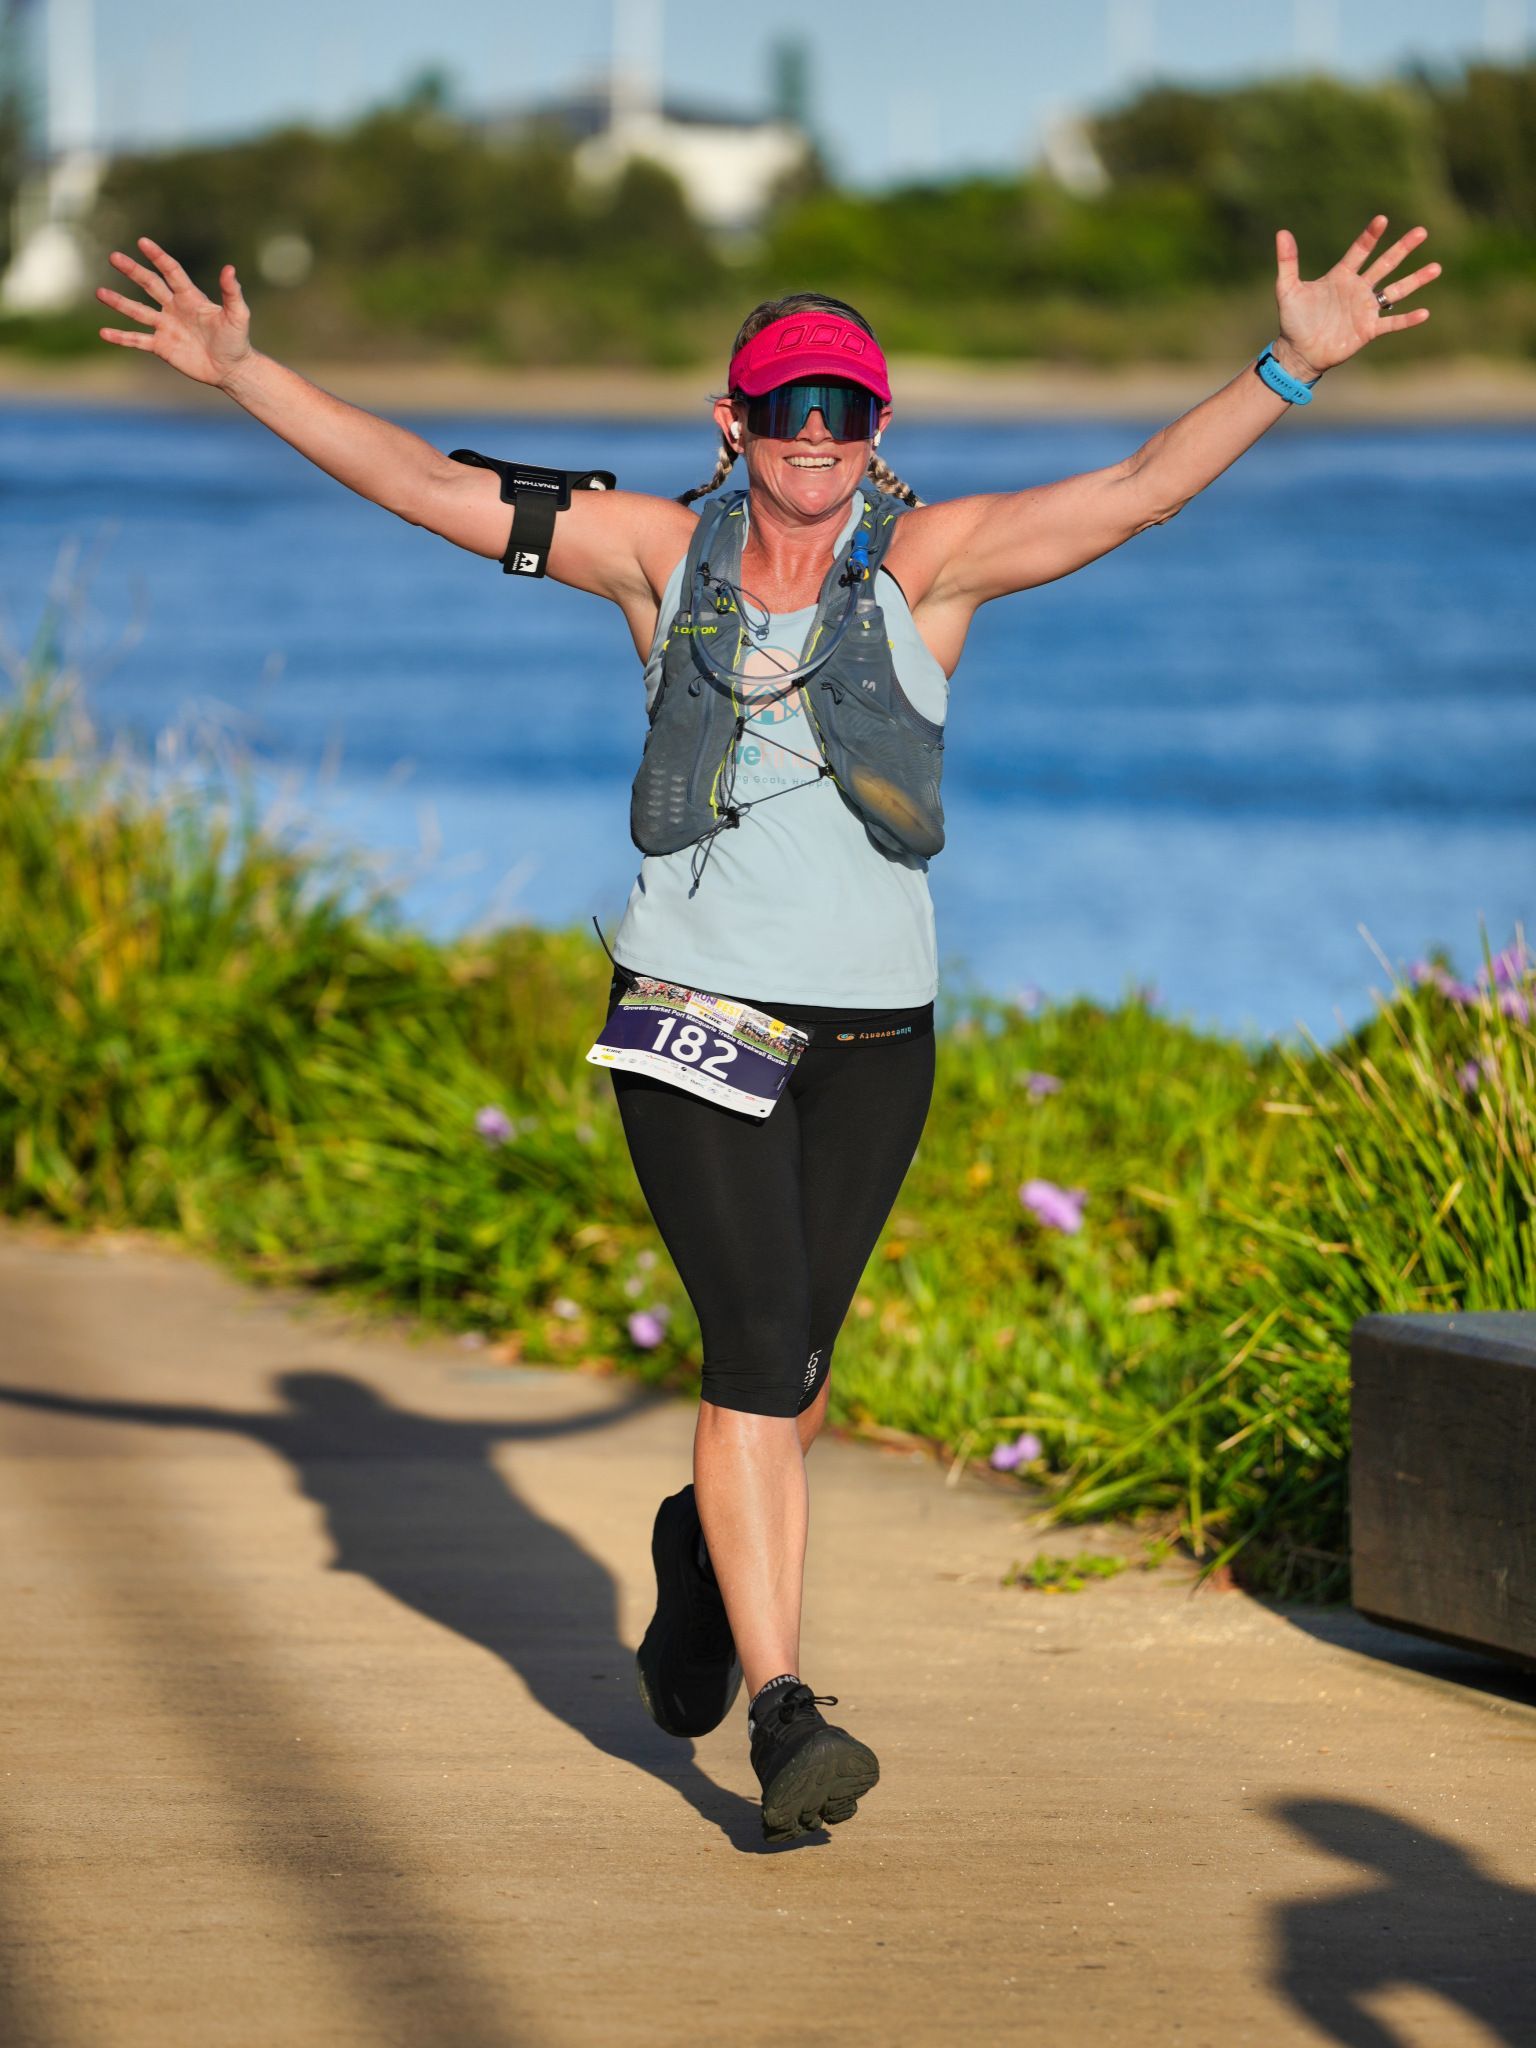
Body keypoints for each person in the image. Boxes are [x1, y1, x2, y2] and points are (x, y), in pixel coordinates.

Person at [96, 214, 1440, 1842]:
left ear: (880, 428)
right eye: (787, 408)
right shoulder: (653, 553)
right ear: (731, 421)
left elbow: (1142, 487)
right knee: (751, 1360)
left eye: (845, 410)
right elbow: (423, 484)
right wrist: (244, 374)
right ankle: (788, 1712)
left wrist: (1290, 364)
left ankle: (698, 1552)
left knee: (794, 1379)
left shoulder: (932, 565)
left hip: (876, 1040)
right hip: (694, 1011)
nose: (817, 436)